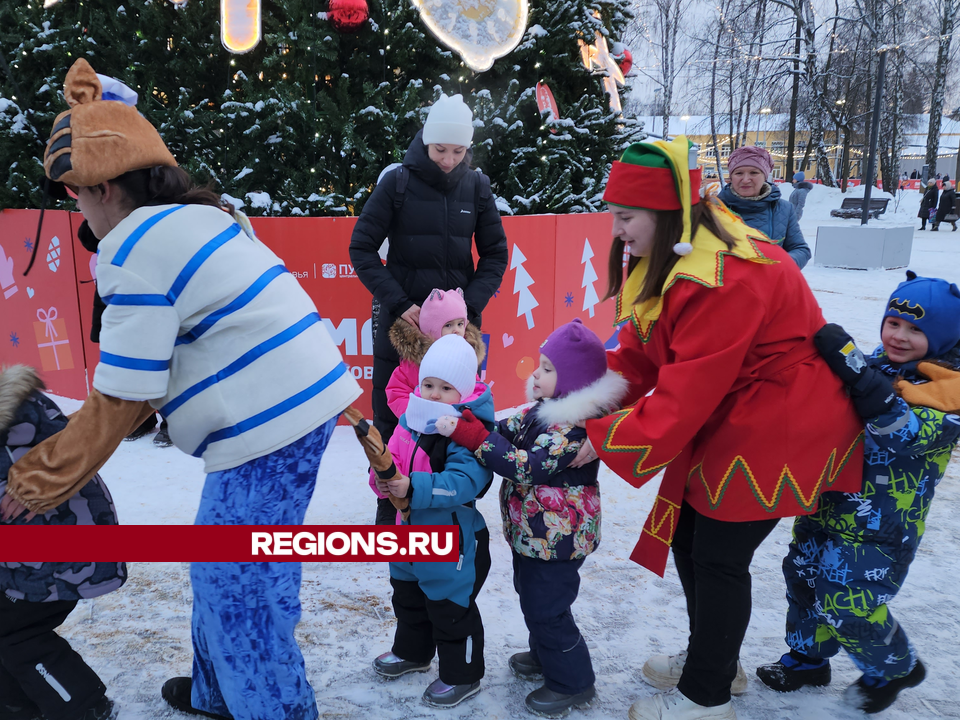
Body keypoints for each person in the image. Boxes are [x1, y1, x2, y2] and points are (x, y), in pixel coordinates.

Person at [0, 59, 361, 720]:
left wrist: (32, 482)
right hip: (292, 411)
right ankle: (217, 692)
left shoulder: (133, 246)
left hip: (267, 425)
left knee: (240, 587)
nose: (78, 211)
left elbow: (121, 399)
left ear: (105, 186)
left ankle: (275, 709)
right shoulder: (196, 216)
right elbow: (158, 369)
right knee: (225, 567)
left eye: (75, 194)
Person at [571, 136, 864, 720]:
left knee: (720, 556)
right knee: (690, 537)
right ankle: (715, 659)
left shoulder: (721, 276)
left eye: (625, 217)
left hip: (781, 416)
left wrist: (602, 440)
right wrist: (582, 406)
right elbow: (642, 351)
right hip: (741, 408)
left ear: (661, 212)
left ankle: (705, 696)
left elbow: (684, 393)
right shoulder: (679, 252)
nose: (617, 232)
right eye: (613, 217)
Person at [758, 272, 960, 714]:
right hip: (828, 502)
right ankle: (808, 659)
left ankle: (895, 667)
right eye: (894, 323)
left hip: (883, 525)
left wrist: (860, 379)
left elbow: (902, 434)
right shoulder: (875, 365)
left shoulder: (949, 396)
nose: (899, 336)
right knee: (805, 579)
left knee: (850, 599)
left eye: (916, 329)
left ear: (944, 335)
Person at [435, 319, 628, 717]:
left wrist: (474, 437)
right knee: (533, 598)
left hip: (559, 540)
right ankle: (546, 656)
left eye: (547, 368)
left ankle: (572, 681)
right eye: (538, 365)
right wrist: (473, 418)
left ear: (572, 378)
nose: (535, 374)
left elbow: (526, 466)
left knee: (547, 608)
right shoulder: (540, 412)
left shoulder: (571, 430)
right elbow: (503, 430)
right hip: (534, 536)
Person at [349, 93, 508, 526]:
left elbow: (495, 254)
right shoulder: (397, 182)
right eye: (441, 150)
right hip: (404, 330)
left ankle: (452, 512)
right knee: (394, 420)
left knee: (460, 419)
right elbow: (361, 248)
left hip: (456, 335)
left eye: (458, 151)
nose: (449, 160)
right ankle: (391, 514)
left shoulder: (476, 185)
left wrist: (467, 307)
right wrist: (400, 304)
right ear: (426, 140)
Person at [372, 335, 494, 708]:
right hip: (407, 534)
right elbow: (391, 455)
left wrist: (414, 486)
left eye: (446, 387)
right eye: (428, 384)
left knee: (450, 609)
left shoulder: (467, 430)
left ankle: (463, 675)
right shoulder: (410, 417)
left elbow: (464, 482)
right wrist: (381, 477)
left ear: (466, 390)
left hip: (449, 541)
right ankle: (413, 652)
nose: (435, 394)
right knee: (407, 598)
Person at [0, 365, 124, 720]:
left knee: (17, 634)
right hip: (44, 551)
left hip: (55, 557)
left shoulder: (12, 428)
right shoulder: (22, 408)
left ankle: (82, 706)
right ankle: (17, 703)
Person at [368, 287, 486, 520]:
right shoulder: (413, 362)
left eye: (460, 324)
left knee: (444, 481)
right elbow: (395, 390)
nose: (456, 331)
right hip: (416, 431)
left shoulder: (465, 358)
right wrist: (416, 414)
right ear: (432, 327)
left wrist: (460, 417)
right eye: (448, 325)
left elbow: (475, 394)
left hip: (451, 434)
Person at [718, 147, 811, 269]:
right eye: (739, 173)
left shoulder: (784, 209)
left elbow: (800, 249)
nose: (746, 180)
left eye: (754, 172)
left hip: (771, 284)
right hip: (727, 285)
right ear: (731, 177)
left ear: (765, 176)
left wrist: (779, 265)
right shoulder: (715, 209)